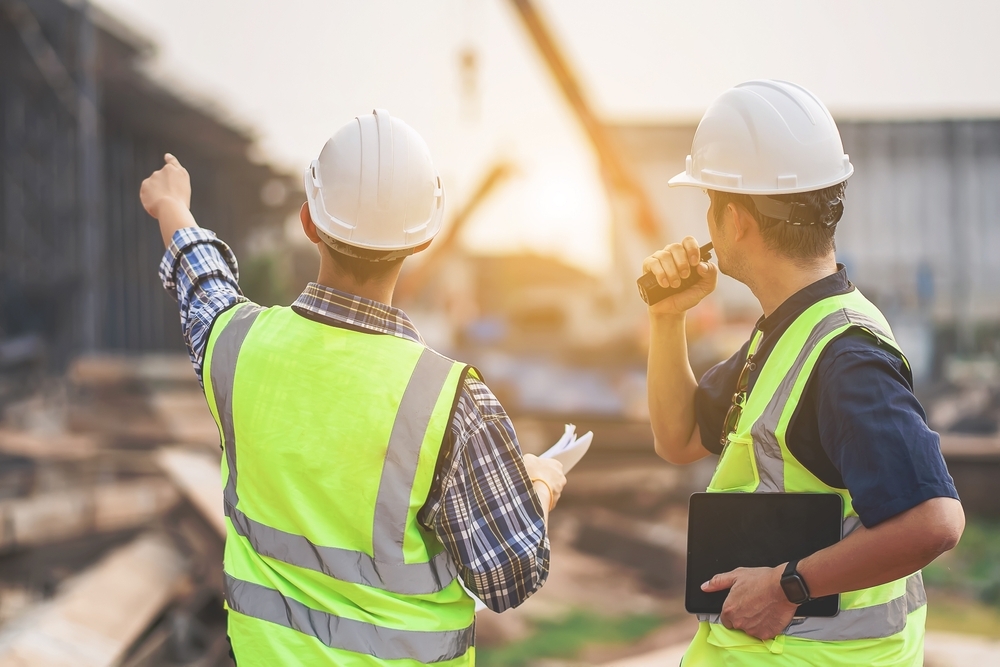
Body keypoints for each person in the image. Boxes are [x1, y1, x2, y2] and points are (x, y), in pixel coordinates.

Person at [141, 109, 566, 666]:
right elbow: (510, 576)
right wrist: (539, 486)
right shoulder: (453, 403)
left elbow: (204, 289)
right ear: (425, 238)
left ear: (309, 222)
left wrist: (172, 208)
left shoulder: (237, 347)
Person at [642, 81, 964, 666]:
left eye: (708, 205)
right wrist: (668, 318)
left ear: (734, 221)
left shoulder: (844, 357)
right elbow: (679, 437)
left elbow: (935, 520)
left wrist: (789, 585)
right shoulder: (793, 329)